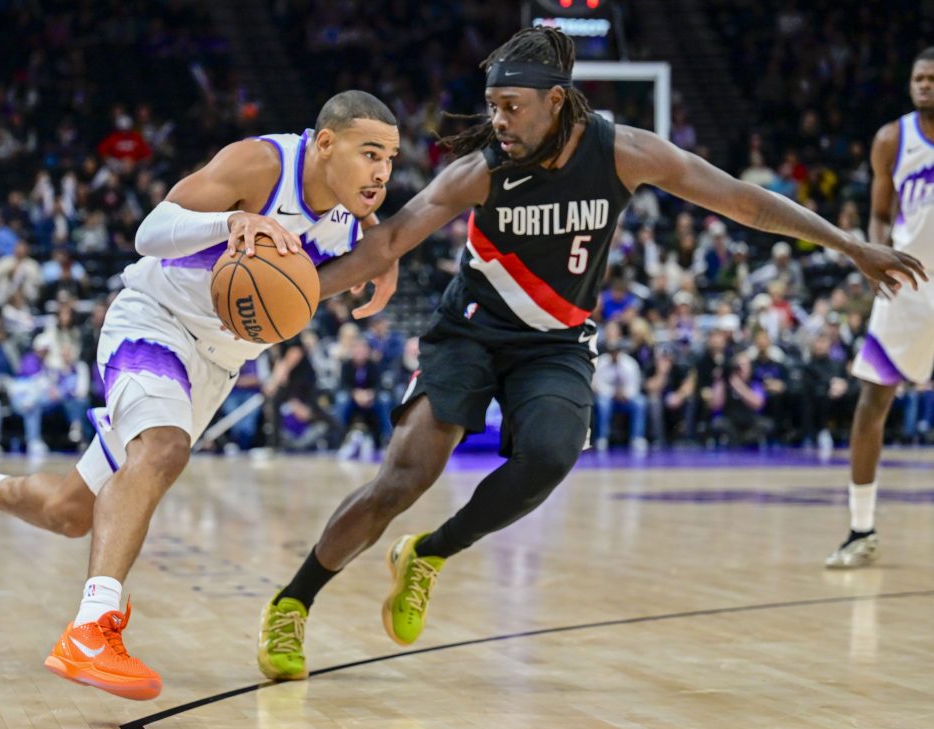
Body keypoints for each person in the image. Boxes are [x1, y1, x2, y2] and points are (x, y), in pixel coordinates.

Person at [255, 27, 926, 682]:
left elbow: (742, 200)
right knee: (401, 482)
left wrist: (850, 244)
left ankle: (429, 555)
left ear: (556, 100)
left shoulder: (623, 152)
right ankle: (294, 600)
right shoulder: (482, 169)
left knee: (549, 455)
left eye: (511, 107)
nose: (498, 120)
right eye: (492, 106)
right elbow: (391, 238)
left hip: (555, 342)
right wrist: (303, 291)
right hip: (470, 331)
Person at [0, 90, 401, 700]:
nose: (383, 171)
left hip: (217, 367)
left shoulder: (352, 212)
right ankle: (91, 629)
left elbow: (384, 230)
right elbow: (149, 231)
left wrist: (379, 252)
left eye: (390, 157)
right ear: (326, 144)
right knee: (161, 449)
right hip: (155, 323)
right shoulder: (260, 165)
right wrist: (230, 222)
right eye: (370, 153)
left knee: (73, 513)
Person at [826, 48, 934, 569]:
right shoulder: (893, 139)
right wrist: (874, 258)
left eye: (933, 78)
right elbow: (878, 216)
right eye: (918, 77)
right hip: (909, 286)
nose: (925, 85)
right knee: (873, 402)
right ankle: (860, 527)